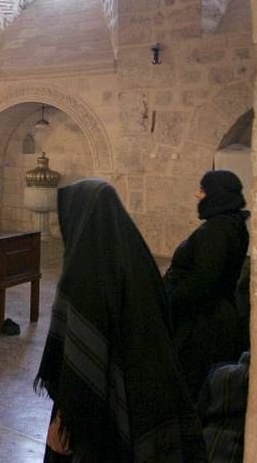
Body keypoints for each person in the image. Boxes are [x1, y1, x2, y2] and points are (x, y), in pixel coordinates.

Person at [36, 179, 207, 462]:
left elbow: (80, 364)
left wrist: (64, 423)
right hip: (145, 396)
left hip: (99, 411)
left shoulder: (83, 273)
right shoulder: (138, 258)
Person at [164, 170, 249, 399]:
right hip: (210, 316)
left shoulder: (217, 230)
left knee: (192, 385)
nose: (197, 195)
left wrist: (169, 303)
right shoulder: (231, 223)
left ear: (216, 194)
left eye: (202, 190)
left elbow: (204, 280)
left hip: (203, 323)